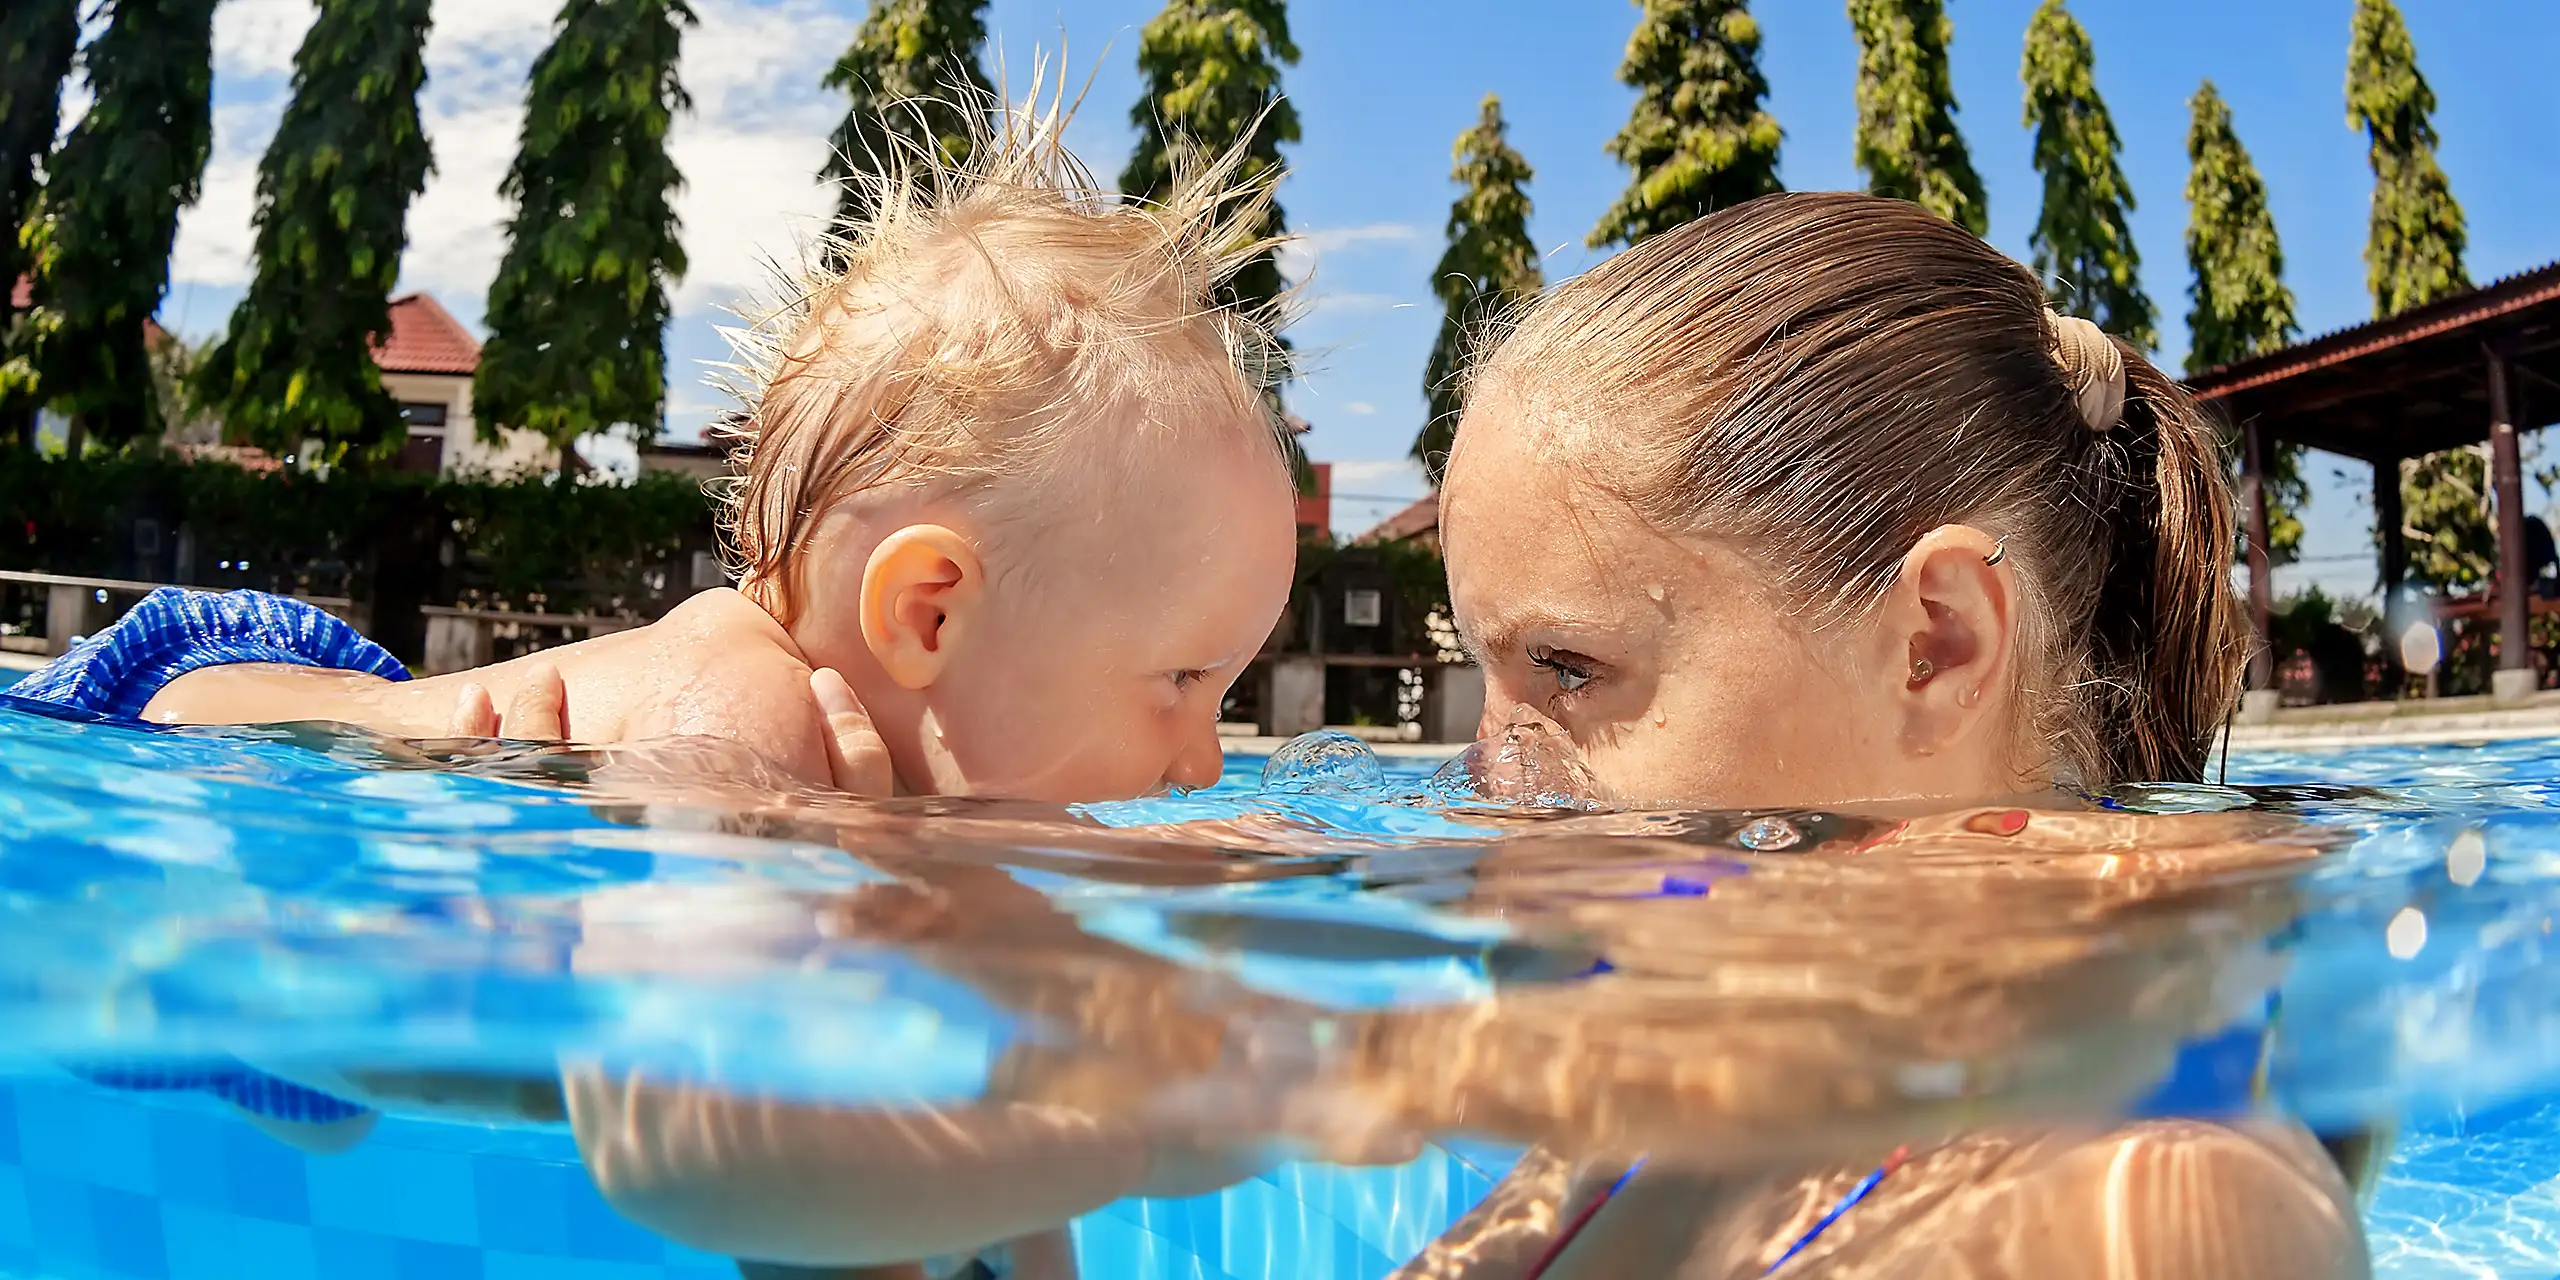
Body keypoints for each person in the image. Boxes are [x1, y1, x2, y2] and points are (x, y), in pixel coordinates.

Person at [1392, 189, 2365, 1276]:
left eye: (1567, 669)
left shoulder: (2164, 1201)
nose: (1481, 788)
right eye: (1486, 675)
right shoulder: (1711, 1065)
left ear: (1934, 648)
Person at [11, 95, 1297, 805]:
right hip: (161, 717)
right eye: (1185, 679)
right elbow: (701, 1099)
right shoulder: (747, 723)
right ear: (928, 608)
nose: (1205, 757)